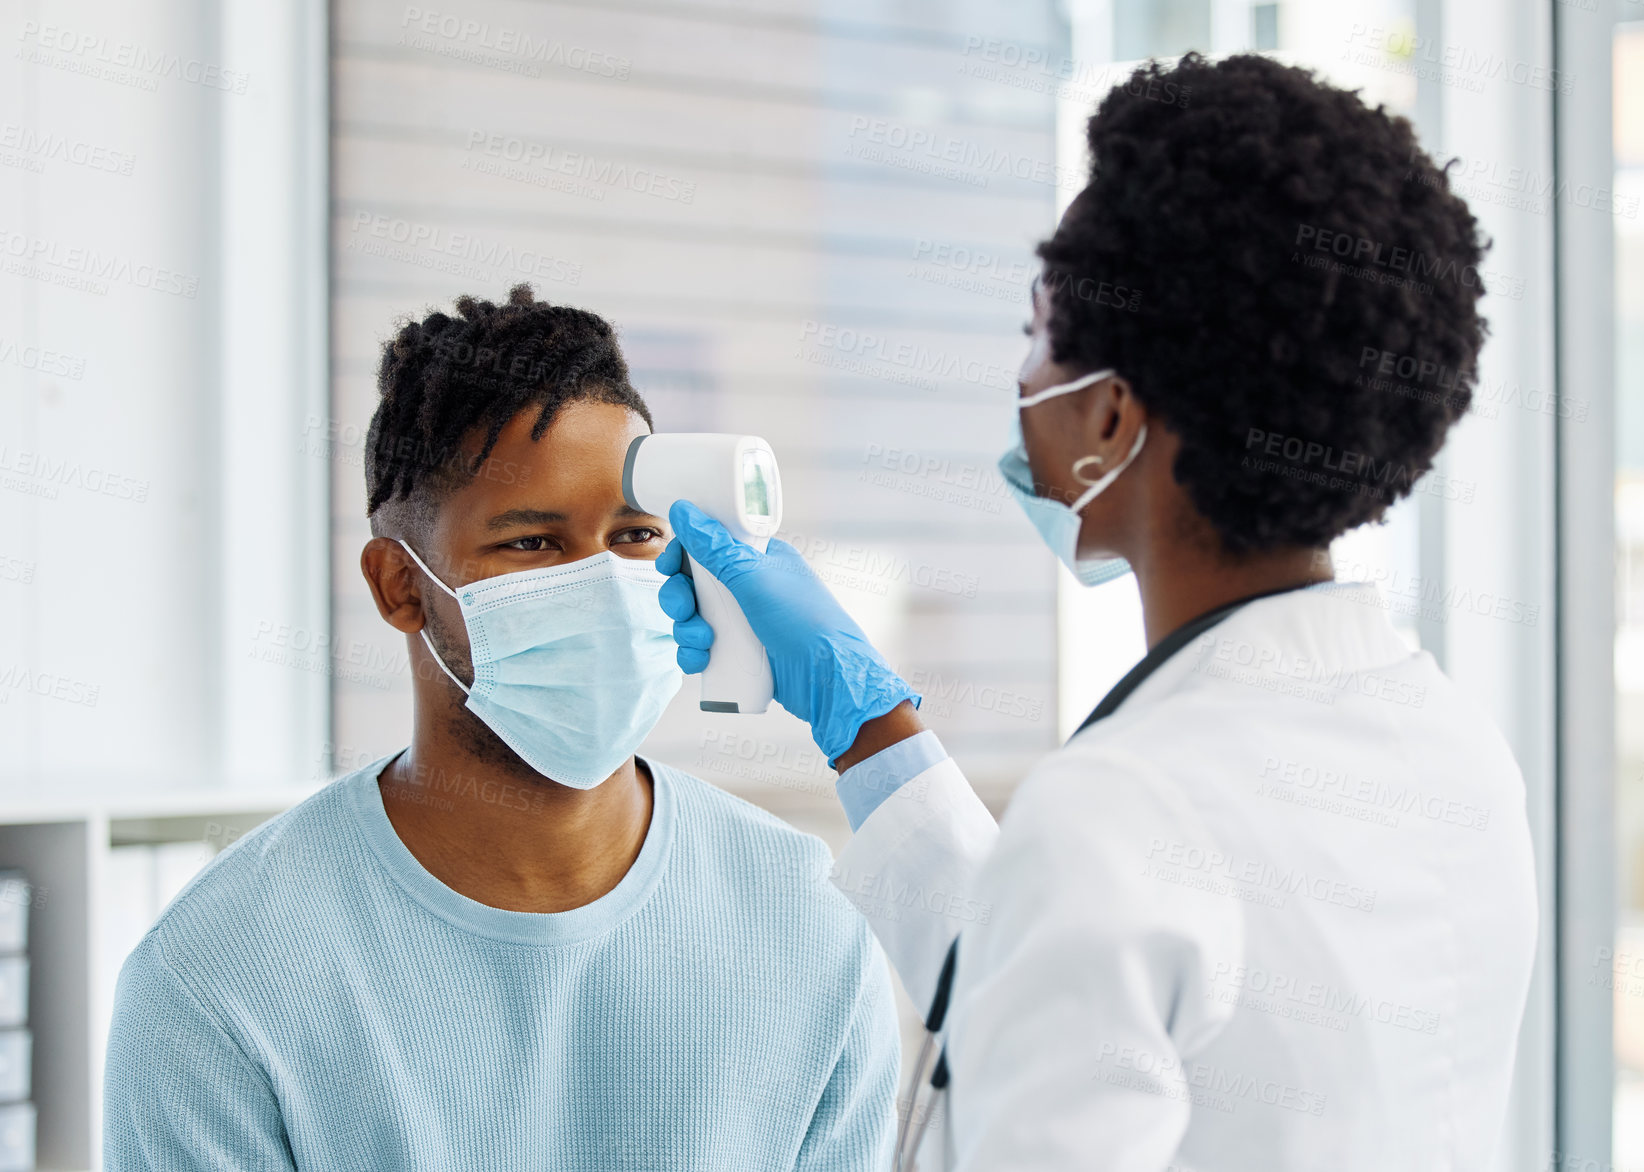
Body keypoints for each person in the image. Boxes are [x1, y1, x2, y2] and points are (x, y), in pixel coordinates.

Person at [659, 53, 1538, 1170]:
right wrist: (863, 722)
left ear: (1113, 417)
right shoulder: (1457, 749)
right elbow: (1096, 979)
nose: (1023, 382)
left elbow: (1104, 931)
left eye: (1037, 334)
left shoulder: (1124, 807)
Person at [103, 286, 899, 1171]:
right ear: (399, 587)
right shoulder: (220, 979)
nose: (601, 582)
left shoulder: (805, 920)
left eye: (634, 536)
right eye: (533, 545)